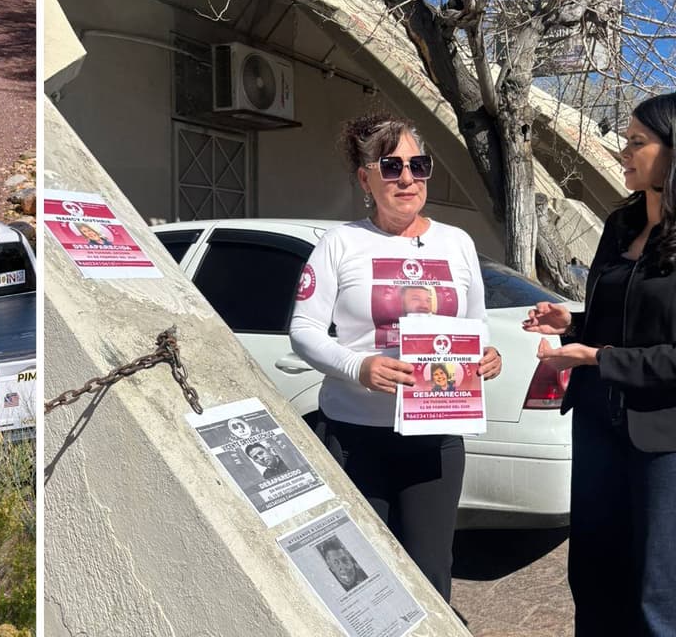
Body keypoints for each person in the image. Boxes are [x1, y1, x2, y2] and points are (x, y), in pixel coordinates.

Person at [288, 113, 502, 601]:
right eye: (391, 167)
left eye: (418, 165)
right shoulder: (341, 243)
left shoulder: (457, 243)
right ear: (366, 178)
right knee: (364, 580)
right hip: (357, 436)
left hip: (436, 437)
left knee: (430, 575)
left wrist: (487, 355)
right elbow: (303, 331)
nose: (407, 178)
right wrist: (357, 366)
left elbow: (475, 325)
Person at [524, 92, 676, 635]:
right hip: (596, 421)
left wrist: (596, 357)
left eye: (637, 143)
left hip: (662, 438)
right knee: (592, 577)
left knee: (658, 593)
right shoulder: (619, 225)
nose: (623, 154)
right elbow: (623, 324)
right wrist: (572, 325)